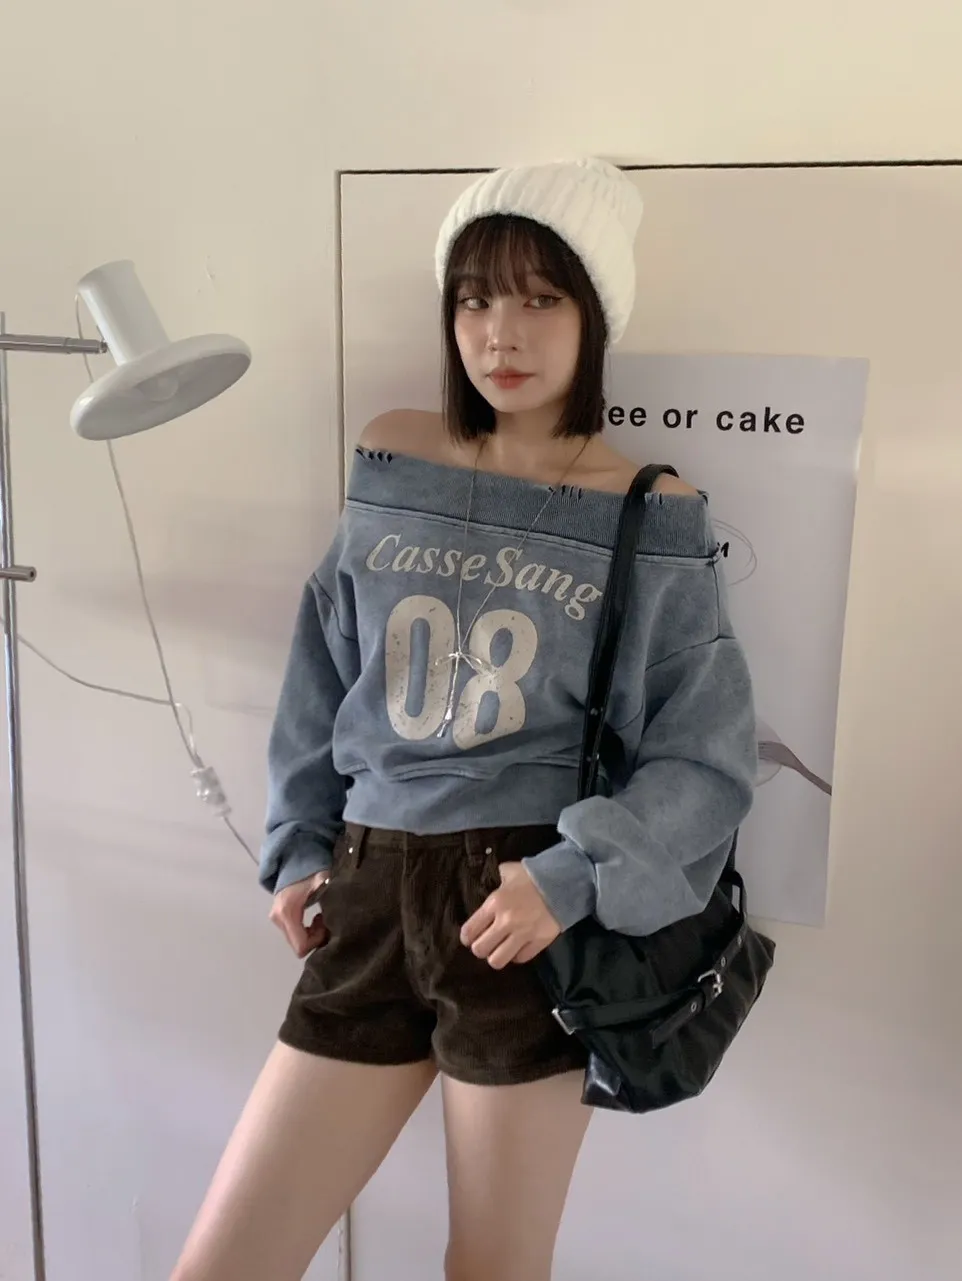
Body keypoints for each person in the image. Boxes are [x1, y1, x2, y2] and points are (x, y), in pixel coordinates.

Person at [170, 157, 757, 1281]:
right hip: (367, 888)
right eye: (474, 298)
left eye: (541, 298)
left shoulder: (652, 512)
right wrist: (297, 843)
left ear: (594, 316)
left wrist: (568, 879)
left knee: (490, 1269)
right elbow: (323, 661)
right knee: (225, 1264)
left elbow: (705, 758)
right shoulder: (394, 454)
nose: (501, 333)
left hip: (517, 908)